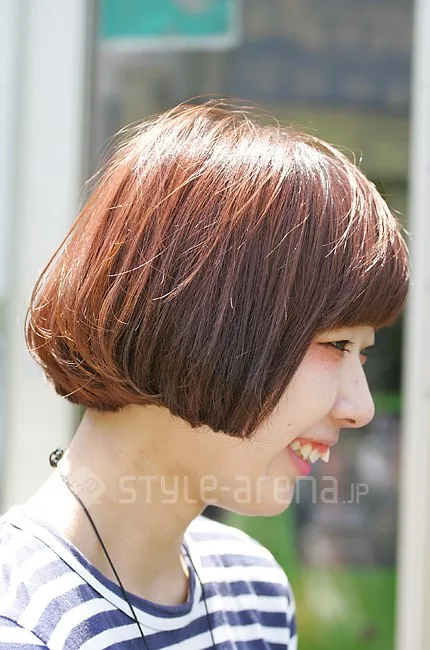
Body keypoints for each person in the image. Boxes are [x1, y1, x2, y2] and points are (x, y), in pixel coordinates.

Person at [0, 101, 409, 649]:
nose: (361, 407)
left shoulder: (254, 592)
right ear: (202, 318)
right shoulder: (24, 626)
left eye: (363, 354)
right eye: (337, 344)